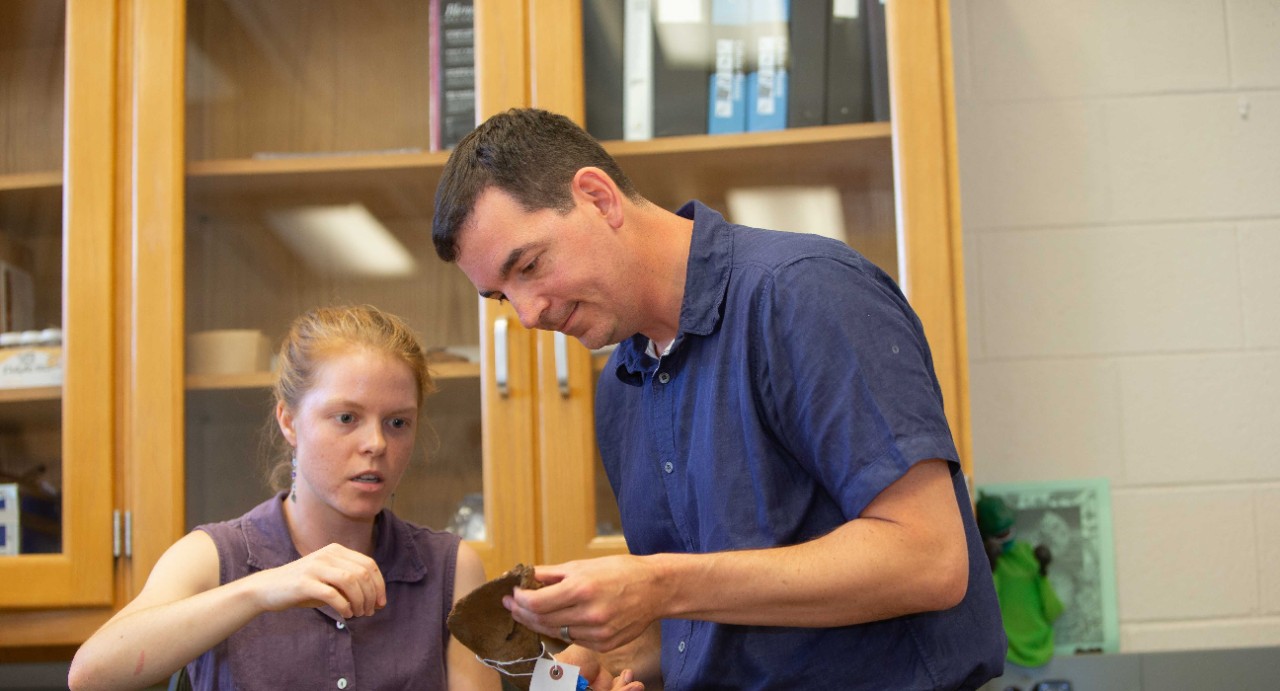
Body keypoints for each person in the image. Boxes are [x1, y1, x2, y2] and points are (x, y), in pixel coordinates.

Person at [431, 108, 1007, 689]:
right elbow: (710, 619)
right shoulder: (622, 388)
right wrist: (603, 661)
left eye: (529, 266)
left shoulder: (805, 294)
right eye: (503, 297)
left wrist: (659, 585)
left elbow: (929, 560)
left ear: (599, 198)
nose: (529, 315)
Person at [68, 305, 500, 690]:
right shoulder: (213, 558)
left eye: (398, 423)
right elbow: (91, 674)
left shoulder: (451, 569)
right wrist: (262, 589)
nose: (376, 443)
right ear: (289, 422)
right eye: (346, 417)